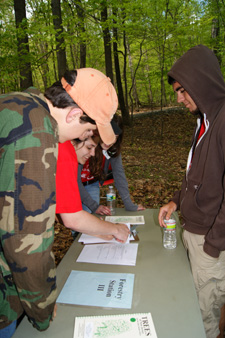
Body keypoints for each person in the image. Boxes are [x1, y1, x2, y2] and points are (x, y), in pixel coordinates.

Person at [0, 67, 129, 337]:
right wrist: (42, 309)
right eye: (87, 130)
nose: (83, 138)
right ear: (72, 114)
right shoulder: (36, 131)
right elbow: (27, 242)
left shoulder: (19, 103)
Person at [158, 45, 225, 338]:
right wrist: (176, 200)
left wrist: (213, 246)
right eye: (176, 91)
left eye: (183, 90)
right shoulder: (204, 122)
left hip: (211, 243)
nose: (179, 98)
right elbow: (198, 176)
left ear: (203, 80)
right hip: (195, 232)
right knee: (193, 305)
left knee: (201, 318)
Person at [78, 114, 145, 215]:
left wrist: (129, 205)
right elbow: (74, 179)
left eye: (115, 137)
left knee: (91, 216)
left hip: (91, 184)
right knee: (78, 218)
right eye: (108, 135)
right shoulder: (84, 145)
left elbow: (119, 176)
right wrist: (94, 206)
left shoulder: (112, 150)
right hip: (73, 184)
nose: (110, 141)